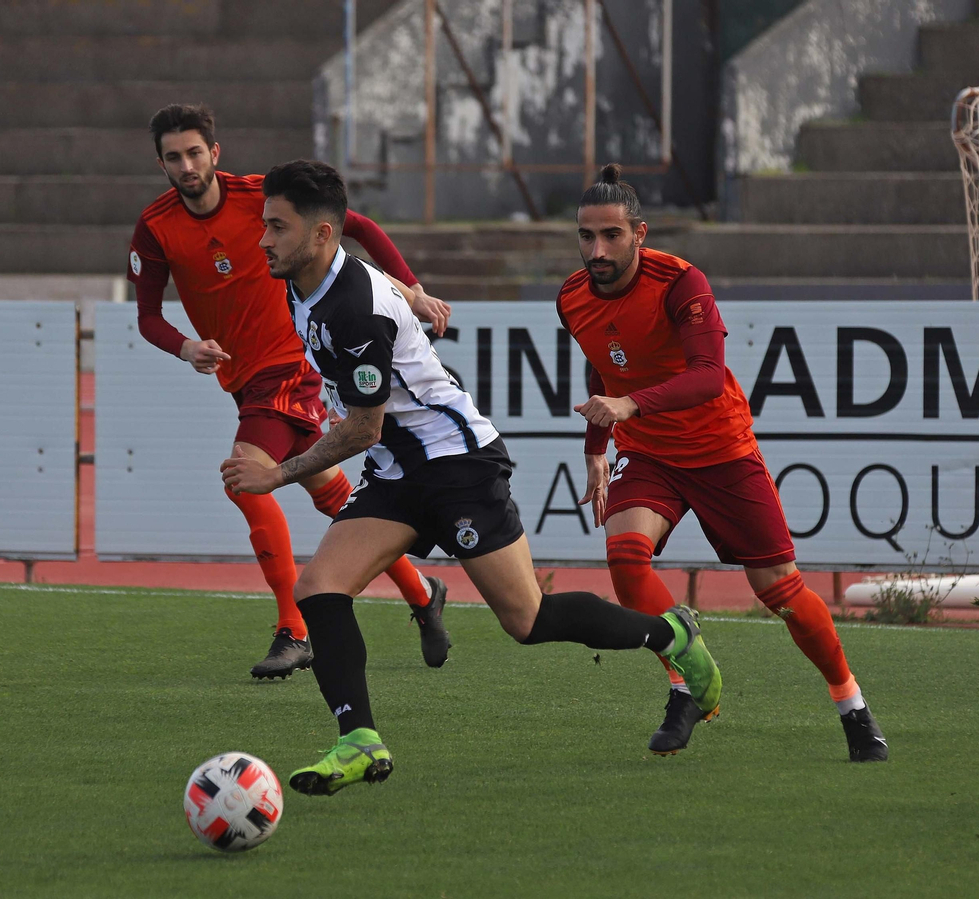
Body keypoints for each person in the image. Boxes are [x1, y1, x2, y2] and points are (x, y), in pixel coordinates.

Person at [221, 160, 722, 796]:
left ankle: (671, 632)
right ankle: (358, 741)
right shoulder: (310, 275)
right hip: (401, 473)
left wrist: (277, 475)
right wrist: (417, 296)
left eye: (276, 227)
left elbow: (362, 430)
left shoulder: (351, 309)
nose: (262, 238)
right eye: (264, 224)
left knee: (528, 621)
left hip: (457, 465)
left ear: (322, 235)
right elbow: (382, 289)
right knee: (319, 591)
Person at [560, 164, 888, 761]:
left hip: (720, 449)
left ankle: (853, 706)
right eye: (586, 236)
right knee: (626, 562)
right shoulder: (572, 297)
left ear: (640, 232)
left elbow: (708, 378)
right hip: (648, 451)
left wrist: (628, 404)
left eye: (610, 235)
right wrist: (595, 449)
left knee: (781, 591)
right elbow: (603, 360)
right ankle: (686, 680)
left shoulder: (681, 281)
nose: (596, 249)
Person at [128, 104, 451, 679]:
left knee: (243, 478)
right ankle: (423, 593)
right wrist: (187, 347)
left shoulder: (262, 197)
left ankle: (292, 629)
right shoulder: (155, 227)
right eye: (174, 157)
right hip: (243, 380)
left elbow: (361, 227)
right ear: (161, 163)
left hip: (295, 360)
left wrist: (415, 291)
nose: (186, 165)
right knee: (330, 493)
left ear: (214, 153)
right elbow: (148, 317)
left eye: (194, 152)